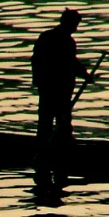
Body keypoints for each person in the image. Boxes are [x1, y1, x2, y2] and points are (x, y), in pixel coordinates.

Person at [31, 8, 92, 148]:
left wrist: (84, 74)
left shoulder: (62, 39)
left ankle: (57, 145)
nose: (75, 28)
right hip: (53, 87)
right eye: (75, 25)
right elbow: (67, 61)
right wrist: (84, 74)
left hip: (59, 87)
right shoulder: (53, 39)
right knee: (52, 120)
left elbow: (72, 62)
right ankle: (50, 147)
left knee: (59, 120)